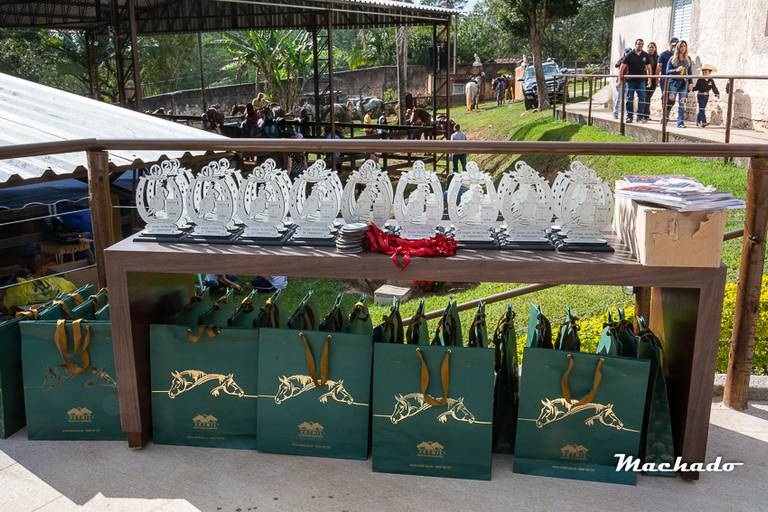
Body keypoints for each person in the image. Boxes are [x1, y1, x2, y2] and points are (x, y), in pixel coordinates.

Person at [621, 38, 651, 124]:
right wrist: (620, 79)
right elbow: (622, 67)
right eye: (639, 44)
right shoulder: (629, 55)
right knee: (629, 98)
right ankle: (629, 117)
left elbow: (649, 68)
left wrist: (649, 79)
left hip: (641, 81)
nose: (640, 45)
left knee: (642, 97)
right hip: (630, 81)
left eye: (642, 44)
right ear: (635, 44)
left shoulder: (645, 55)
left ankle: (640, 117)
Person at [665, 40, 693, 128]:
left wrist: (691, 83)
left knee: (682, 103)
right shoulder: (672, 59)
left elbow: (690, 72)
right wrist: (676, 70)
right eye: (681, 46)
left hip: (684, 84)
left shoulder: (688, 59)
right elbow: (667, 71)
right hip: (673, 84)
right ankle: (665, 117)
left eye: (684, 46)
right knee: (670, 101)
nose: (683, 48)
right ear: (678, 47)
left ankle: (680, 123)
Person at [657, 37, 678, 120]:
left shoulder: (678, 55)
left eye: (676, 45)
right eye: (673, 45)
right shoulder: (664, 54)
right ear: (669, 44)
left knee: (672, 98)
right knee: (665, 96)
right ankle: (664, 115)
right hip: (664, 79)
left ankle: (667, 113)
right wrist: (656, 78)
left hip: (675, 81)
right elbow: (659, 67)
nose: (674, 47)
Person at [640, 41, 659, 122]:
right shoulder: (644, 56)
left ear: (655, 49)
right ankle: (643, 114)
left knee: (648, 97)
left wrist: (657, 79)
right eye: (650, 47)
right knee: (644, 96)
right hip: (644, 80)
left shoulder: (657, 57)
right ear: (647, 48)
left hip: (653, 80)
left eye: (653, 47)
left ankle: (646, 115)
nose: (651, 48)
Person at [613, 49, 631, 119]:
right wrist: (619, 81)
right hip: (620, 81)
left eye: (629, 53)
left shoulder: (632, 60)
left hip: (628, 82)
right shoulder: (622, 60)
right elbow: (616, 66)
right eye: (627, 53)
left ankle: (627, 114)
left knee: (627, 99)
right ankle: (615, 113)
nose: (628, 54)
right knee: (619, 98)